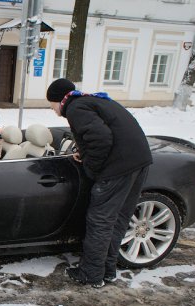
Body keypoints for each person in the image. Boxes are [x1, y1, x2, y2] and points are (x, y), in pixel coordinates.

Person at [46, 78, 152, 288]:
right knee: (118, 218)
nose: (53, 110)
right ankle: (107, 271)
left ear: (59, 100)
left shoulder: (76, 108)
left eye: (52, 105)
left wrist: (92, 168)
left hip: (118, 168)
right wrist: (83, 153)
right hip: (139, 162)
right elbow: (101, 133)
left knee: (100, 221)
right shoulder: (90, 101)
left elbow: (101, 139)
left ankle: (91, 274)